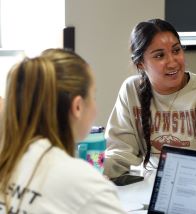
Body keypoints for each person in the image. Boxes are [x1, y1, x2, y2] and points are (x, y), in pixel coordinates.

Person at [104, 18, 196, 178]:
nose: (172, 62)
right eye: (160, 55)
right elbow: (119, 153)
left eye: (176, 51)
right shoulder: (131, 90)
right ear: (140, 63)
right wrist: (88, 171)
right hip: (146, 189)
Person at [0, 49, 126, 213]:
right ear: (78, 106)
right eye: (93, 96)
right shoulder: (85, 185)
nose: (95, 108)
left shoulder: (9, 157)